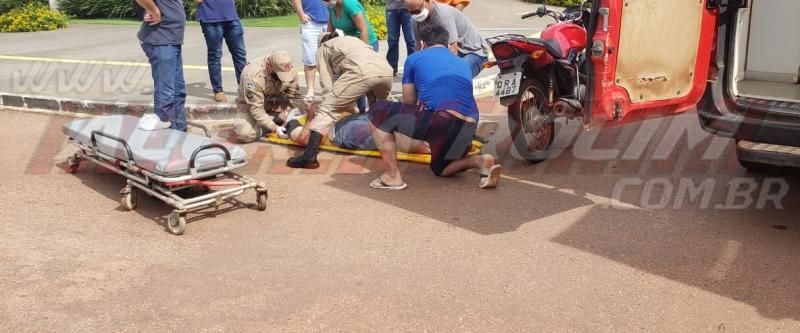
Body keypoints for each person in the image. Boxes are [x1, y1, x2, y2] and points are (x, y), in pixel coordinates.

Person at [367, 24, 502, 190]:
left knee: (377, 110)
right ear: (447, 44)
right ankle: (480, 161)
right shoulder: (462, 62)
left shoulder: (414, 58)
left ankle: (393, 176)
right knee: (440, 168)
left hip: (441, 119)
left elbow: (409, 102)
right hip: (469, 124)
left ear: (423, 43)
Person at [286, 32, 393, 169]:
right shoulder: (351, 40)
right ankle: (406, 133)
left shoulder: (323, 48)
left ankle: (309, 157)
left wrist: (332, 104)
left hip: (362, 72)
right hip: (386, 70)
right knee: (385, 108)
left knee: (327, 109)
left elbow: (327, 86)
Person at [135, 0, 187, 131]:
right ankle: (166, 127)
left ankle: (179, 128)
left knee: (178, 90)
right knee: (167, 91)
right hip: (161, 40)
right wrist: (154, 10)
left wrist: (151, 10)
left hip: (172, 40)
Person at [283, 110, 430, 154]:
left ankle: (289, 117)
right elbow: (302, 138)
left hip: (356, 121)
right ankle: (288, 117)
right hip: (342, 128)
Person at [406, 0, 488, 78]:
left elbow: (453, 49)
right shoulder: (416, 20)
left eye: (417, 11)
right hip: (451, 53)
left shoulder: (443, 15)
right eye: (411, 12)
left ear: (427, 1)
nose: (415, 15)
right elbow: (418, 47)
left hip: (473, 52)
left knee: (454, 77)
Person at [233, 50, 302, 143]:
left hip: (276, 100)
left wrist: (289, 109)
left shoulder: (289, 68)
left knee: (305, 110)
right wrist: (273, 127)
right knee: (246, 135)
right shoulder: (253, 76)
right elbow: (256, 108)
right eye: (280, 74)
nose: (283, 78)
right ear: (269, 66)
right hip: (251, 104)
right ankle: (271, 121)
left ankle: (275, 118)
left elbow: (294, 96)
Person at [196, 0, 247, 103]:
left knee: (240, 54)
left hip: (231, 17)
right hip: (210, 19)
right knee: (215, 55)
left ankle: (244, 89)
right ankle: (218, 90)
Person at [291, 0, 329, 100]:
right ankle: (310, 90)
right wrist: (301, 14)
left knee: (332, 59)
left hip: (331, 22)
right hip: (311, 24)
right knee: (310, 59)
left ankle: (330, 90)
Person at [385, 0, 416, 76]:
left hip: (408, 8)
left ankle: (414, 67)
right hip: (392, 8)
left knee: (411, 40)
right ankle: (392, 67)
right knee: (392, 41)